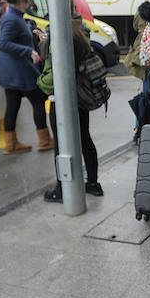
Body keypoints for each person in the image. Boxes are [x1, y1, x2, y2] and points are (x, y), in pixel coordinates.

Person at [37, 13, 103, 202]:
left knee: (61, 145)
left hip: (61, 101)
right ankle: (93, 183)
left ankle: (62, 188)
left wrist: (39, 80)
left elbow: (51, 79)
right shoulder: (81, 34)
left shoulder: (59, 37)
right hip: (81, 98)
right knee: (85, 139)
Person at [0, 0, 53, 154]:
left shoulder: (12, 16)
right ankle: (44, 140)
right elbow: (3, 43)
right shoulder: (12, 19)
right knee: (38, 100)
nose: (29, 1)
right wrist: (28, 51)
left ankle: (11, 144)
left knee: (12, 106)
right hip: (21, 71)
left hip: (10, 72)